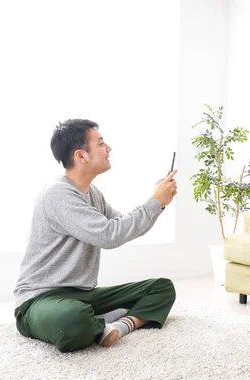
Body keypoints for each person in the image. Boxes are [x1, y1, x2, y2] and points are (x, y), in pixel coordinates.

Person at [14, 119, 178, 353]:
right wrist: (153, 202)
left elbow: (121, 226)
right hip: (40, 300)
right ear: (81, 156)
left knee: (162, 288)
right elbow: (110, 235)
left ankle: (119, 325)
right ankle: (102, 319)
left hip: (83, 295)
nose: (108, 148)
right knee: (73, 320)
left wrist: (159, 204)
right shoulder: (58, 194)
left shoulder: (92, 194)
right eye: (101, 143)